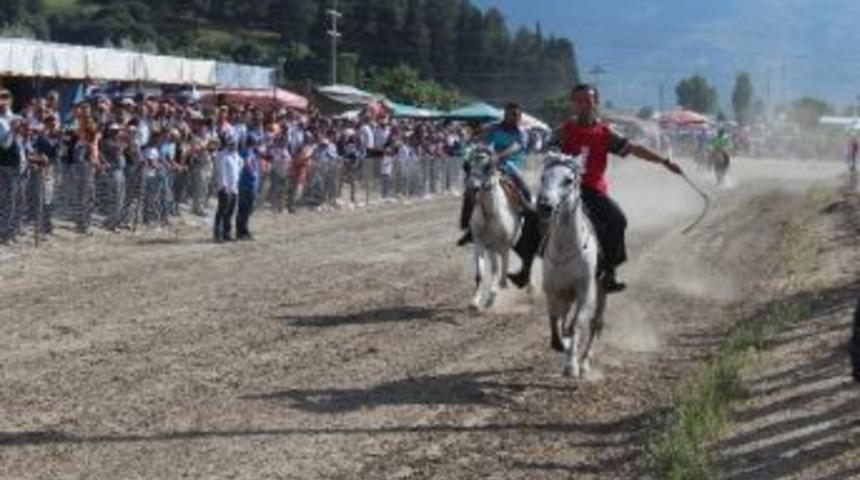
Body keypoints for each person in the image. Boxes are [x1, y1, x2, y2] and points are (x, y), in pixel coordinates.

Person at [508, 83, 682, 293]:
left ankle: (609, 272)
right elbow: (545, 150)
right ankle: (525, 269)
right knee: (533, 215)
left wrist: (664, 161)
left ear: (595, 103)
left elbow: (634, 149)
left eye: (588, 101)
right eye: (579, 101)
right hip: (563, 190)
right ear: (573, 104)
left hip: (592, 190)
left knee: (618, 219)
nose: (584, 105)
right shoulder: (563, 131)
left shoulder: (605, 134)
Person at [456, 102, 535, 246]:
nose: (514, 117)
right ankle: (469, 229)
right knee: (471, 189)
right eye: (511, 114)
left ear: (520, 116)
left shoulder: (522, 132)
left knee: (527, 192)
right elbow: (484, 141)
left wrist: (499, 155)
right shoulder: (494, 128)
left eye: (516, 114)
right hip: (492, 164)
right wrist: (477, 145)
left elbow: (516, 146)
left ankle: (529, 230)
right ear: (505, 114)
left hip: (512, 165)